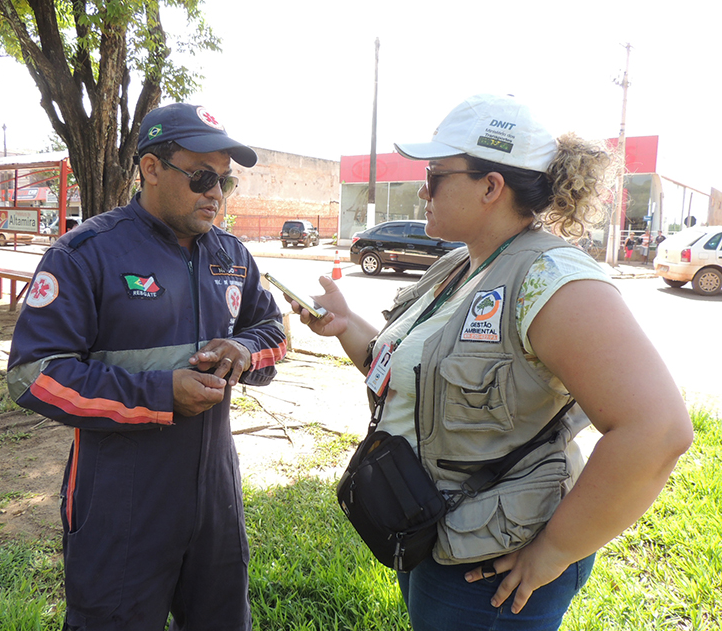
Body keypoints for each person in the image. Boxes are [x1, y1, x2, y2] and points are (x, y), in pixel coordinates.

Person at [286, 94, 692, 631]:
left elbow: (658, 430)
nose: (420, 189)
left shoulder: (550, 279)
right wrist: (345, 327)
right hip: (437, 530)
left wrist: (553, 553)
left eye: (434, 175)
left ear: (490, 186)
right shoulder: (462, 263)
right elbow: (413, 379)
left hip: (494, 564)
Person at [7, 103, 287, 630]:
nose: (215, 194)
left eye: (226, 182)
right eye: (202, 176)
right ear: (151, 168)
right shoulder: (85, 254)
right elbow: (34, 374)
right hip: (120, 503)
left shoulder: (232, 256)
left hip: (216, 501)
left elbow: (273, 333)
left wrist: (245, 352)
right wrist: (159, 395)